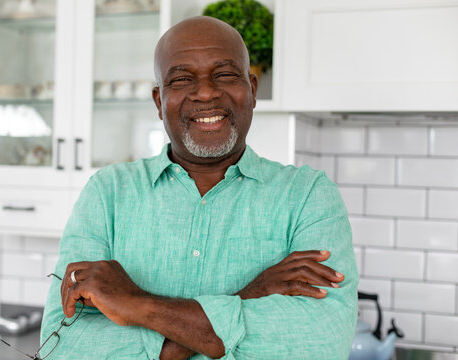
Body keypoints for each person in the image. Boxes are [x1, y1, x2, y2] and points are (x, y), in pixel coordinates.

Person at [41, 16, 358, 360]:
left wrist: (137, 305)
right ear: (159, 102)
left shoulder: (308, 196)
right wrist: (250, 296)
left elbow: (320, 345)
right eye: (181, 79)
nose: (206, 92)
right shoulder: (107, 194)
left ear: (252, 90)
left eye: (224, 74)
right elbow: (62, 346)